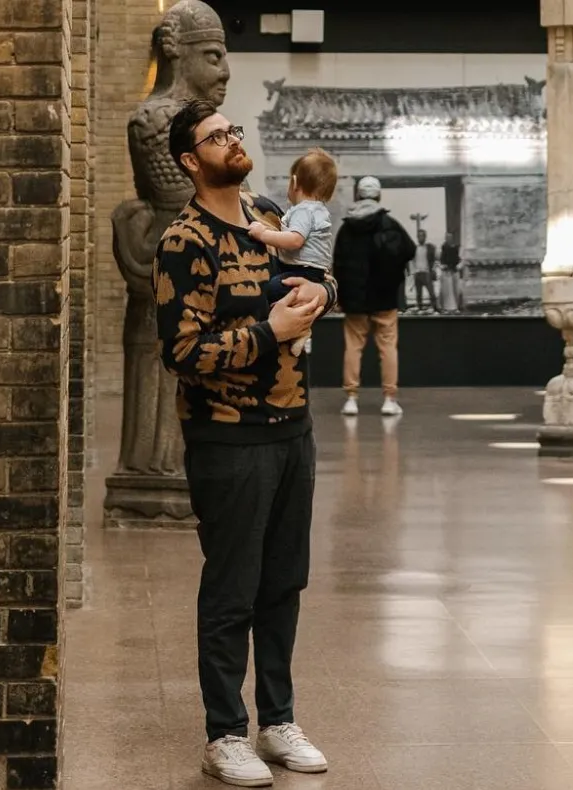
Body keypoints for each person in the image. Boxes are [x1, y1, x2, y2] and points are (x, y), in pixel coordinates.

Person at [155, 98, 335, 787]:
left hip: (294, 430)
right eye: (215, 136)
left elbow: (316, 274)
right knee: (233, 587)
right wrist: (273, 332)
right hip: (228, 440)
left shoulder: (267, 214)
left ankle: (278, 721)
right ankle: (224, 732)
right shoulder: (185, 240)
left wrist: (317, 299)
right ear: (189, 160)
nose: (232, 140)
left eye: (232, 130)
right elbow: (181, 351)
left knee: (283, 582)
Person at [331, 175, 416, 416]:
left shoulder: (347, 227)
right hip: (385, 296)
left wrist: (341, 297)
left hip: (355, 299)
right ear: (379, 195)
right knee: (388, 348)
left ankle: (351, 398)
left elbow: (339, 264)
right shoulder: (389, 224)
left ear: (358, 195)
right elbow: (409, 250)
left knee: (353, 347)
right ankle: (389, 399)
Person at [248, 148, 338, 356]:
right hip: (312, 272)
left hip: (301, 270)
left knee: (273, 289)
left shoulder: (303, 211)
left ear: (294, 183)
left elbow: (294, 240)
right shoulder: (318, 209)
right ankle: (302, 332)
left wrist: (263, 234)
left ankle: (295, 331)